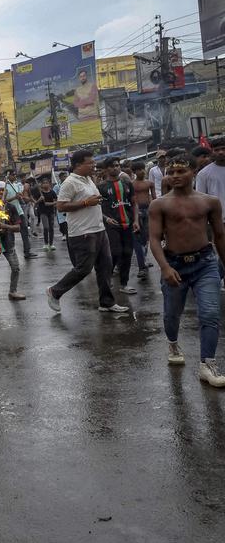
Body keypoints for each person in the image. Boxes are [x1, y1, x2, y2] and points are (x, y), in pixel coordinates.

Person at [148, 155, 225, 386]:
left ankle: (207, 365)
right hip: (175, 265)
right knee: (172, 315)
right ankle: (172, 342)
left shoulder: (210, 202)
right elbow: (153, 238)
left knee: (210, 313)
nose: (175, 176)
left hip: (205, 262)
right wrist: (164, 267)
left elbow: (219, 235)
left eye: (181, 171)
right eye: (171, 173)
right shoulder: (159, 204)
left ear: (193, 172)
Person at [46, 150, 129, 313]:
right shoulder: (70, 182)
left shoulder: (89, 179)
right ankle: (55, 291)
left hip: (99, 229)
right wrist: (85, 202)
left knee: (105, 267)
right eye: (90, 163)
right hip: (82, 232)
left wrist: (104, 218)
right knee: (84, 269)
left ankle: (107, 302)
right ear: (78, 165)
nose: (94, 165)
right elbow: (61, 206)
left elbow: (94, 203)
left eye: (93, 162)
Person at [98, 158, 139, 295]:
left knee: (127, 253)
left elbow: (134, 203)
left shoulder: (127, 183)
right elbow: (97, 208)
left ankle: (124, 284)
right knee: (115, 252)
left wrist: (136, 221)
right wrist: (106, 219)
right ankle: (107, 278)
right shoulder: (101, 186)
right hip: (112, 225)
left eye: (117, 165)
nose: (115, 168)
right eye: (112, 166)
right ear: (106, 169)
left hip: (128, 224)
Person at [131, 160, 157, 276]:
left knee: (146, 236)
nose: (142, 171)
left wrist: (155, 208)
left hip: (148, 210)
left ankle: (144, 259)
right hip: (137, 211)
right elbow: (132, 200)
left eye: (143, 169)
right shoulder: (132, 184)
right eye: (139, 170)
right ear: (135, 172)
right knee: (139, 237)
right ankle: (142, 262)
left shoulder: (149, 183)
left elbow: (154, 197)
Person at [4, 168, 37, 259]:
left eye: (15, 174)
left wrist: (21, 197)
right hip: (9, 213)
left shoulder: (16, 185)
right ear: (8, 176)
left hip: (20, 211)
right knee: (10, 234)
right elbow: (3, 201)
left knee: (25, 231)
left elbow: (22, 196)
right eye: (13, 175)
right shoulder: (5, 186)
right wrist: (14, 197)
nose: (15, 176)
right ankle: (11, 254)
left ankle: (27, 252)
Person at [195, 137, 225, 217]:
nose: (221, 152)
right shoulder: (203, 174)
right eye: (217, 150)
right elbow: (200, 199)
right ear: (212, 152)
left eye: (223, 149)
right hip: (217, 220)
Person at [38, 177, 58, 251]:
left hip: (51, 212)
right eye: (44, 183)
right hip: (43, 212)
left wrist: (51, 203)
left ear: (49, 184)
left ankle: (51, 244)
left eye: (47, 183)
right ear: (42, 185)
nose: (45, 184)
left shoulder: (52, 192)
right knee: (46, 227)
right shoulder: (40, 193)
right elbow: (35, 203)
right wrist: (39, 199)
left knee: (51, 228)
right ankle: (46, 243)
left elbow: (56, 202)